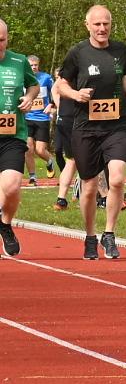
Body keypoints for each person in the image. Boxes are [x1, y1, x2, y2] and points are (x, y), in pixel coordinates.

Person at [56, 5, 126, 259]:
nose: (102, 29)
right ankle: (90, 236)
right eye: (97, 24)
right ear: (87, 25)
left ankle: (109, 234)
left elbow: (122, 77)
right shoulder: (77, 52)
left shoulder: (120, 49)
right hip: (86, 127)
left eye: (106, 24)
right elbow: (61, 84)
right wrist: (76, 94)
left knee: (117, 179)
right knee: (90, 186)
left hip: (116, 125)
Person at [0, 20, 41, 258]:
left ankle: (5, 225)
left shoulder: (18, 61)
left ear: (7, 38)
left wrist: (29, 97)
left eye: (1, 40)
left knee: (12, 186)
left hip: (13, 134)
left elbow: (33, 85)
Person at [24, 55, 55, 186]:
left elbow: (55, 91)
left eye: (35, 65)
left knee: (40, 150)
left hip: (42, 117)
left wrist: (52, 105)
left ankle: (49, 161)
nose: (33, 67)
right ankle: (33, 177)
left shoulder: (46, 78)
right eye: (31, 65)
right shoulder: (22, 78)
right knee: (28, 148)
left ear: (38, 65)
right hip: (27, 118)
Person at [52, 65, 78, 211]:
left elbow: (55, 87)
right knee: (92, 158)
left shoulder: (68, 71)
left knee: (71, 160)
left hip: (65, 118)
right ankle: (104, 197)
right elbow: (55, 88)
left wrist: (60, 107)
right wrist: (59, 104)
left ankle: (61, 199)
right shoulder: (81, 68)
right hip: (75, 118)